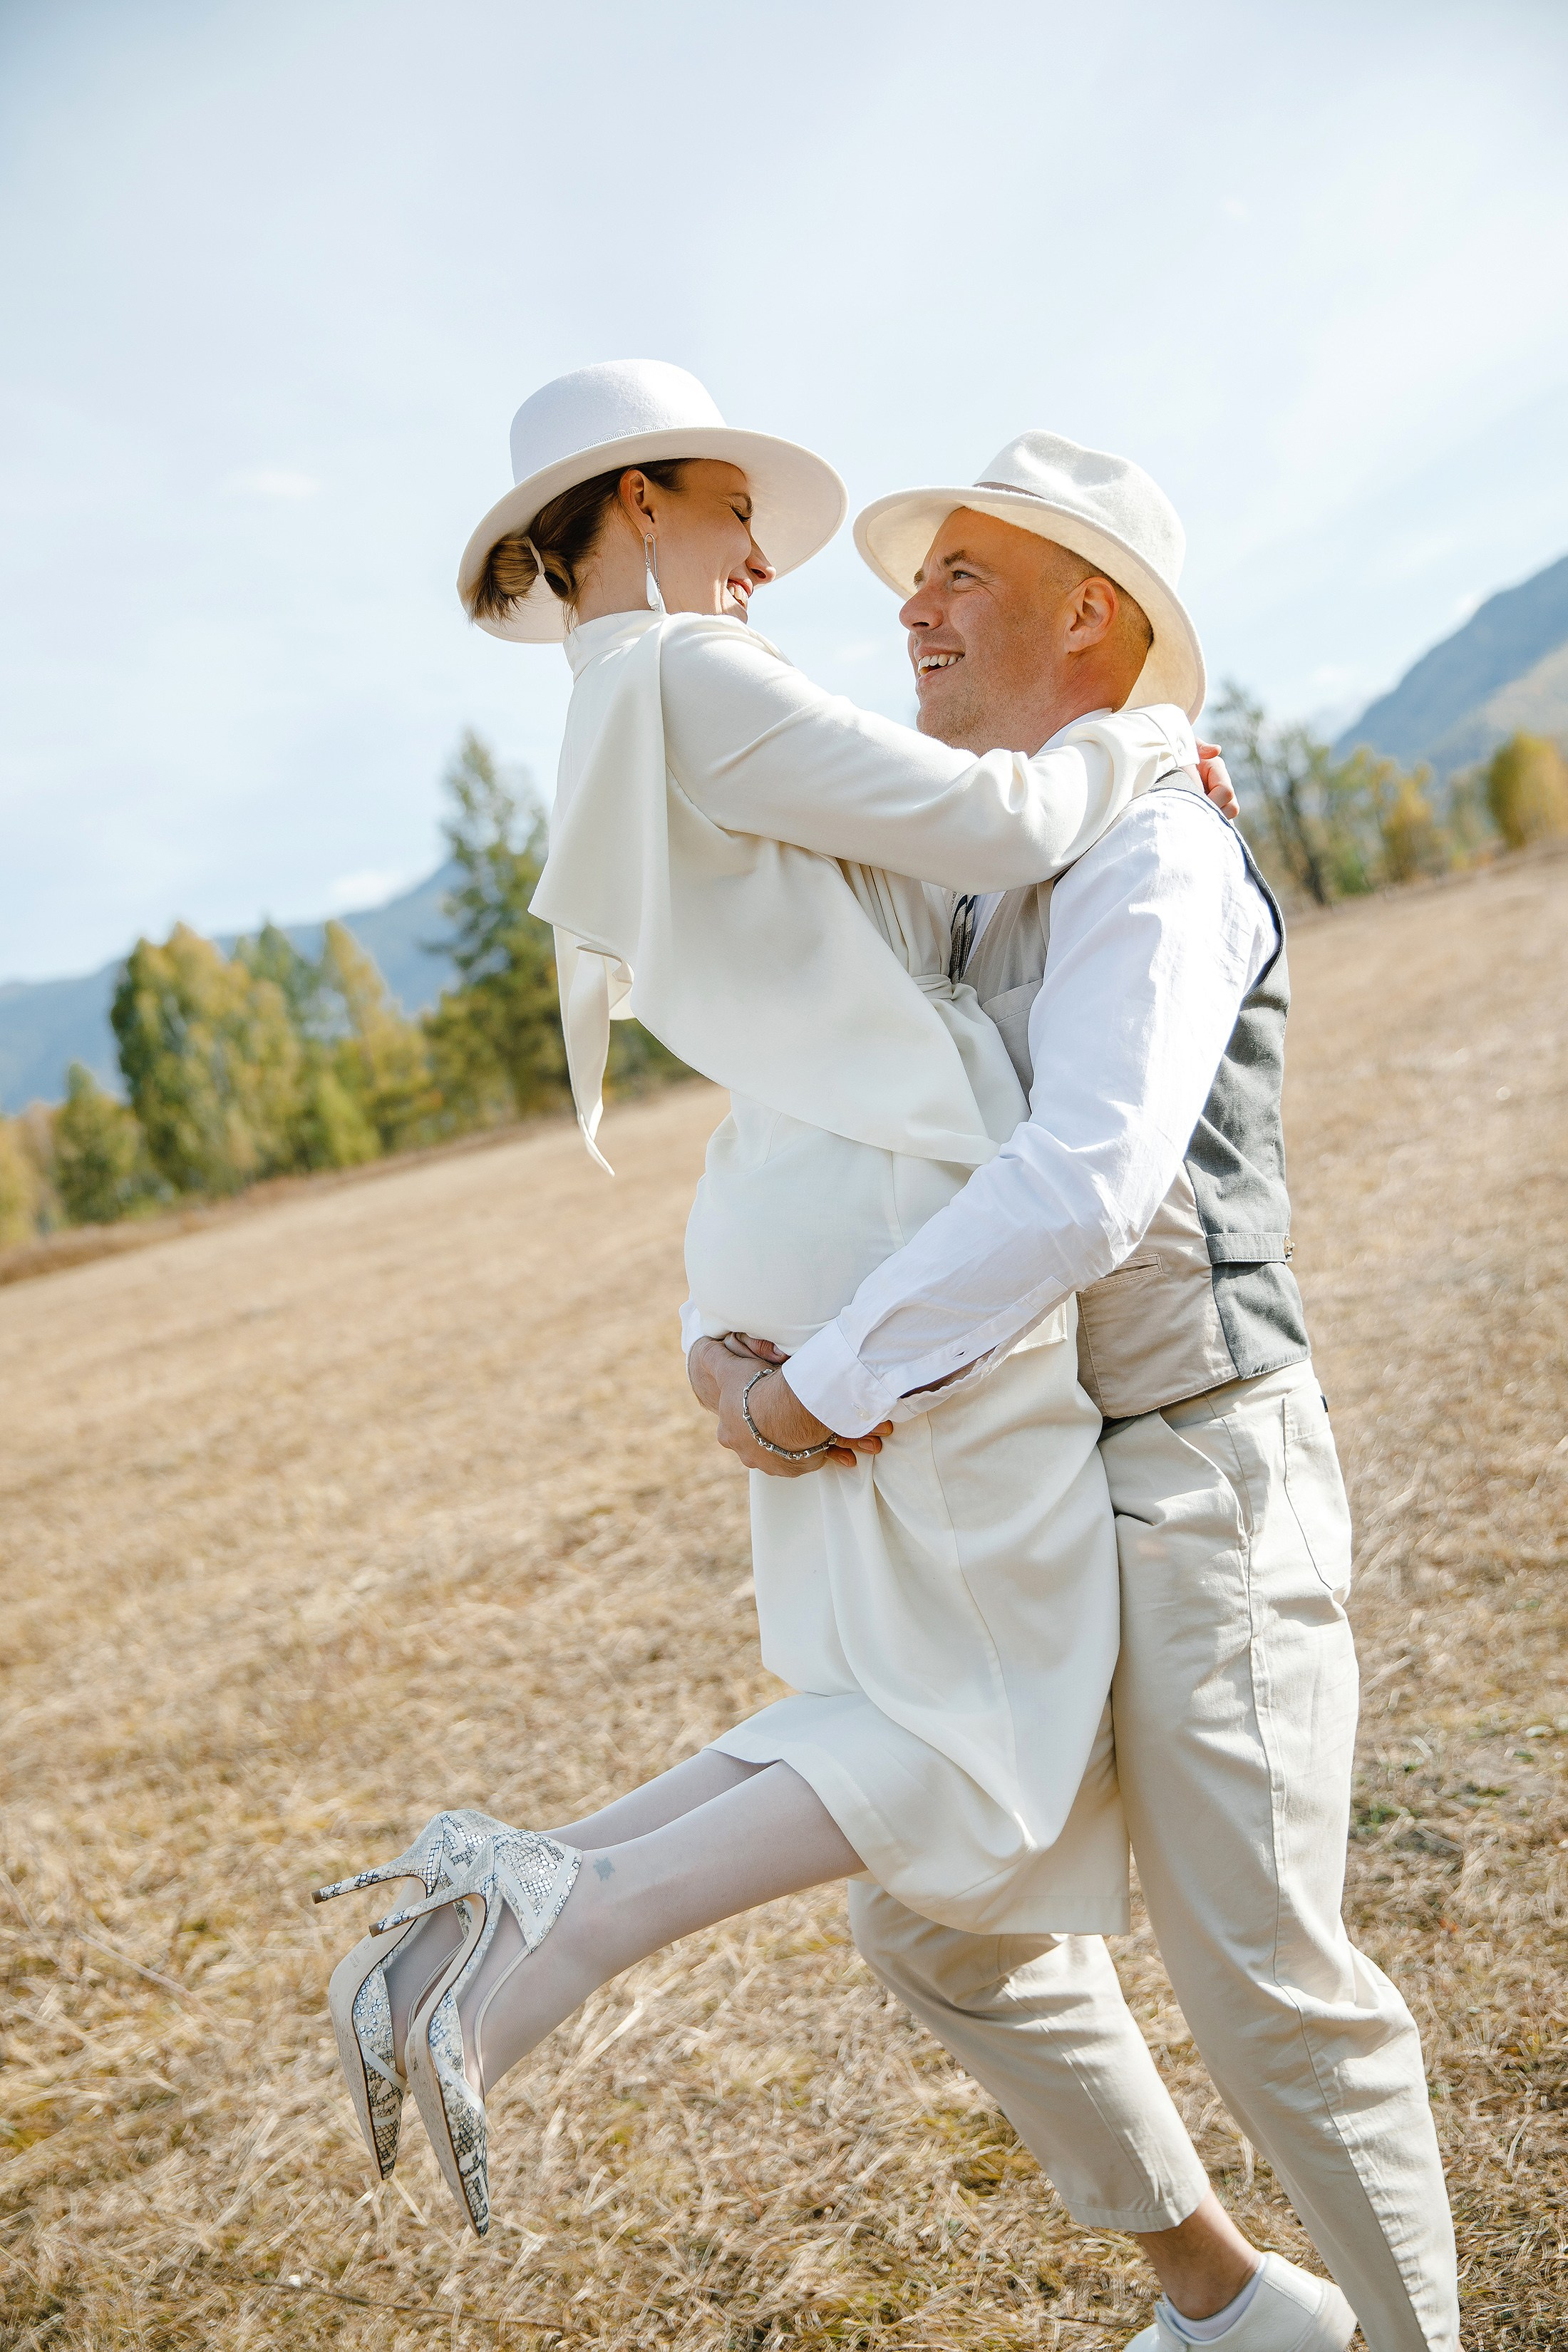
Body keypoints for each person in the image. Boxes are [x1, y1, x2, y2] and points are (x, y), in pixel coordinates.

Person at [311, 360, 1232, 2252]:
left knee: (884, 1688)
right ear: (642, 506)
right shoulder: (693, 678)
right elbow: (993, 822)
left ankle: (528, 1876)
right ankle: (568, 1931)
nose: (762, 564)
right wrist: (1144, 739)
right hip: (900, 1190)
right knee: (980, 1715)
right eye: (738, 517)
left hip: (783, 1196)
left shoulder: (602, 718)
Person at [689, 442, 1460, 2352]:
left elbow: (1092, 1177)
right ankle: (1230, 2303)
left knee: (1271, 1986)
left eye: (961, 569)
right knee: (936, 1918)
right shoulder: (972, 867)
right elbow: (833, 1115)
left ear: (1086, 613)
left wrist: (834, 1391)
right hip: (1025, 1491)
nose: (910, 604)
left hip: (1204, 1469)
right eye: (917, 574)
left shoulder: (1160, 849)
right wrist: (725, 1338)